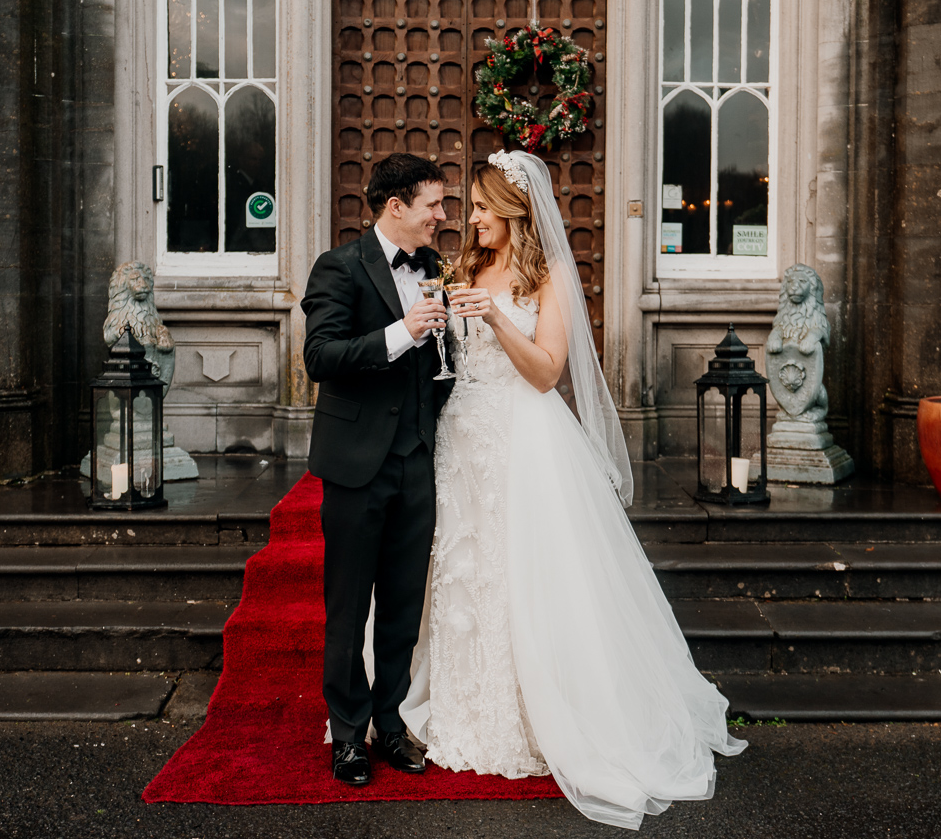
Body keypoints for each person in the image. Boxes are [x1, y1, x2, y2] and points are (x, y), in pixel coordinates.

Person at [399, 150, 747, 829]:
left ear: (514, 212)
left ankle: (537, 715)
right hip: (463, 438)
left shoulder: (549, 273)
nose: (469, 220)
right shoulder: (465, 267)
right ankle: (462, 704)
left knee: (526, 574)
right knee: (464, 572)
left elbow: (545, 372)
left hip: (526, 439)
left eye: (479, 208)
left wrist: (497, 320)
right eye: (468, 208)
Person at [301, 153, 453, 787]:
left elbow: (444, 367)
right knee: (348, 606)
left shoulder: (438, 269)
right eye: (433, 206)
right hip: (357, 464)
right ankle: (348, 736)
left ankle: (390, 725)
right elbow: (321, 356)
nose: (443, 217)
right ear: (396, 206)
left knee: (401, 604)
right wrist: (401, 331)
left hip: (418, 459)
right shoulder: (338, 266)